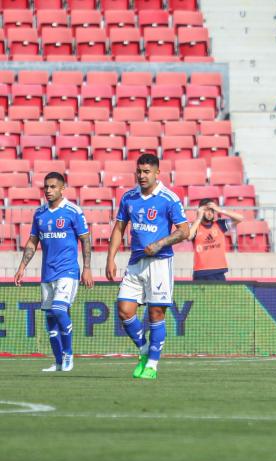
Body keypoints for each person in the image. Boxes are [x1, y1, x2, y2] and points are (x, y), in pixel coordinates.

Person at [105, 154, 189, 380]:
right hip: (135, 262)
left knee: (155, 313)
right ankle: (144, 350)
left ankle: (152, 364)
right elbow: (119, 228)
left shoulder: (168, 198)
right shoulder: (129, 198)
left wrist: (160, 243)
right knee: (124, 310)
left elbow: (184, 231)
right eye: (139, 172)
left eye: (146, 172)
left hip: (160, 263)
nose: (141, 176)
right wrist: (110, 258)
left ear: (156, 173)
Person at [14, 172, 93, 372]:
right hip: (47, 273)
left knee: (59, 309)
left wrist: (87, 268)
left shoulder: (73, 211)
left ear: (62, 188)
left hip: (67, 271)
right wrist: (22, 267)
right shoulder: (40, 214)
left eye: (53, 187)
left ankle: (68, 354)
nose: (48, 191)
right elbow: (33, 241)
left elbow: (85, 239)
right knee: (50, 318)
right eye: (46, 187)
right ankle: (58, 362)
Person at [188, 198, 244, 281]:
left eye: (212, 210)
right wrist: (198, 218)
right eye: (207, 210)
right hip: (200, 273)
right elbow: (189, 237)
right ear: (201, 211)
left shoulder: (220, 224)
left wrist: (220, 210)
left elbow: (240, 218)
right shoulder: (194, 226)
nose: (210, 213)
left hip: (218, 272)